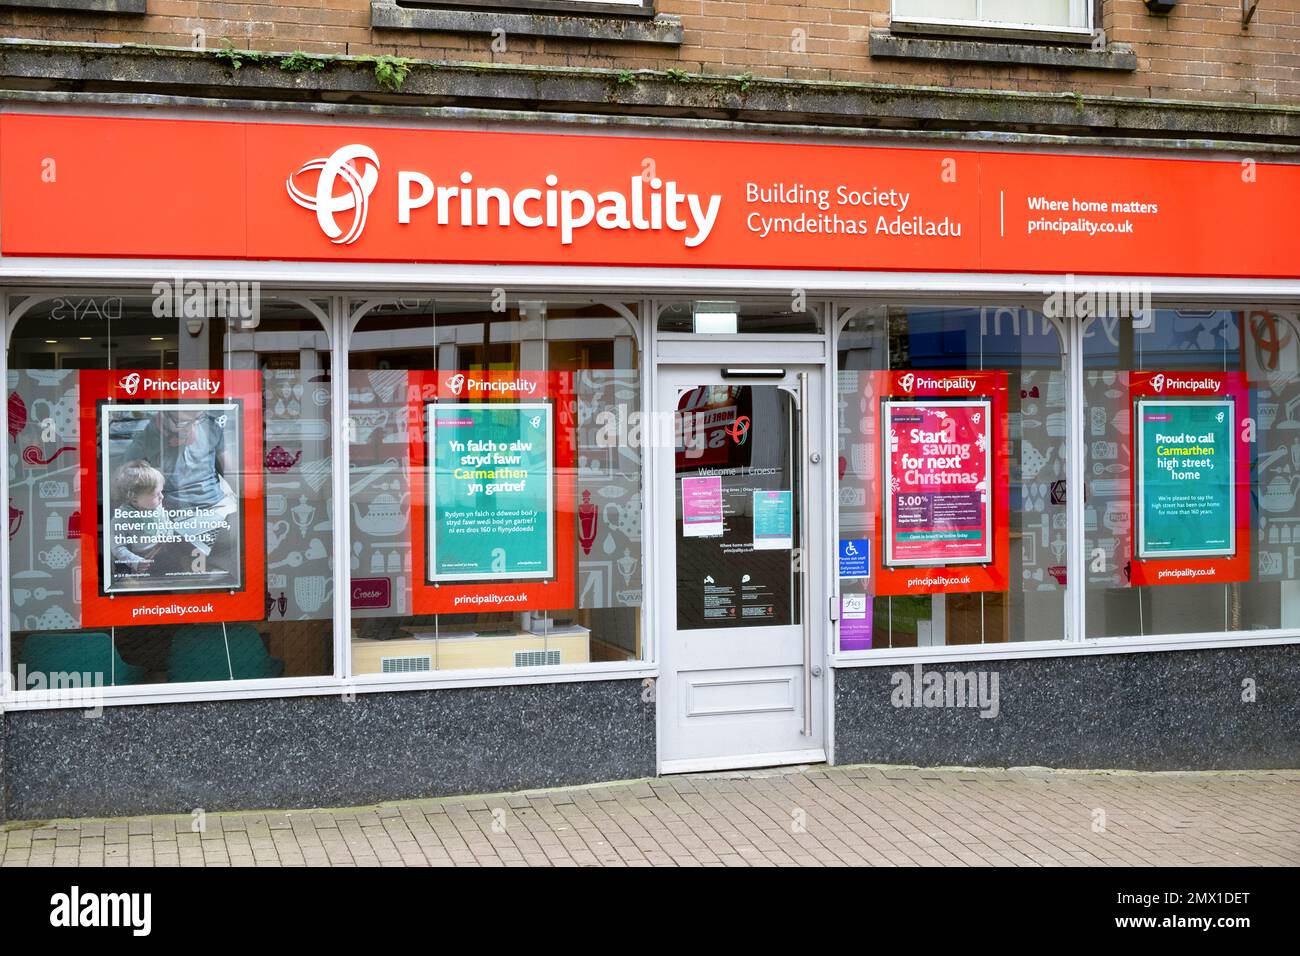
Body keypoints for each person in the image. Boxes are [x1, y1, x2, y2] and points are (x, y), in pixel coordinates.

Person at [123, 407, 239, 581]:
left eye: (197, 419)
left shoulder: (210, 427)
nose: (192, 427)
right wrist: (152, 476)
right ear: (164, 418)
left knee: (238, 549)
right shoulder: (146, 439)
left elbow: (235, 474)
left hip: (218, 507)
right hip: (178, 516)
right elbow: (123, 481)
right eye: (184, 422)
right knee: (192, 569)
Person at [109, 460, 172, 577]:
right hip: (138, 560)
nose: (162, 497)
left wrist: (168, 538)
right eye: (156, 494)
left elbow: (167, 524)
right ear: (133, 498)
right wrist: (135, 561)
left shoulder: (157, 508)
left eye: (161, 492)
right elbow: (117, 547)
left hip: (159, 550)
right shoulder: (121, 518)